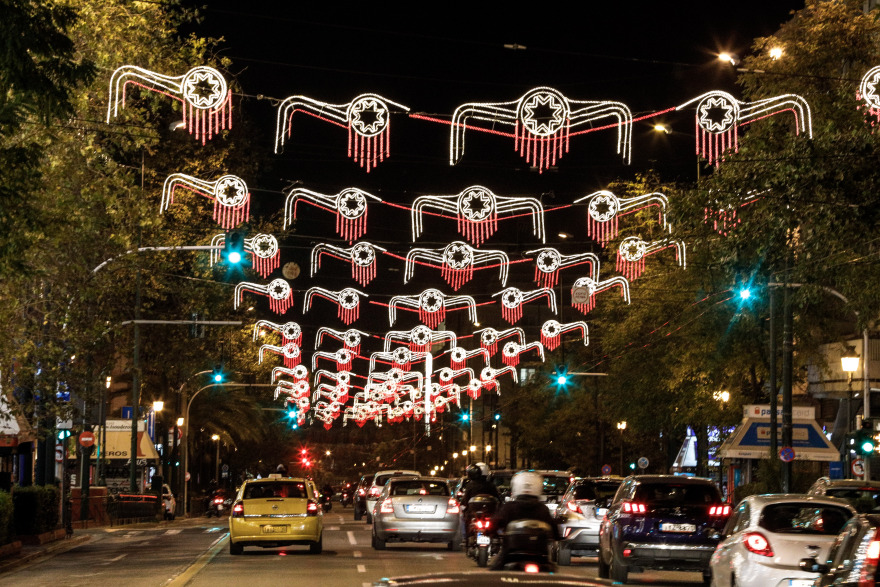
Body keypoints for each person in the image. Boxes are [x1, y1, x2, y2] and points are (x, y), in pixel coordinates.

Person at [488, 471, 558, 570]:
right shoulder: (543, 509)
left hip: (511, 554)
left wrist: (490, 532)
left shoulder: (509, 508)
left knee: (494, 574)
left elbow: (495, 522)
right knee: (552, 574)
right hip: (540, 556)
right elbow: (554, 529)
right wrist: (558, 537)